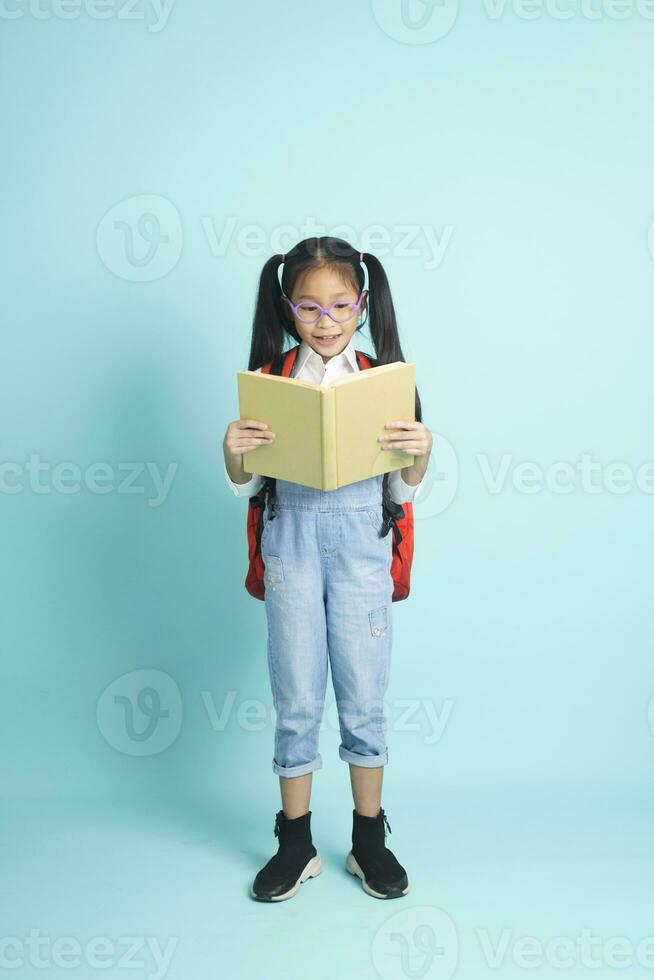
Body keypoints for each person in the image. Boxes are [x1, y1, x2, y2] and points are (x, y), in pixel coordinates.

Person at [222, 237, 433, 901]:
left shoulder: (384, 381)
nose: (327, 320)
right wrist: (232, 452)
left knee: (364, 695)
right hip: (292, 543)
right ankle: (296, 841)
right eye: (309, 307)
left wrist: (421, 453)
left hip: (362, 546)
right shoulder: (273, 381)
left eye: (341, 304)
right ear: (288, 308)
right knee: (296, 697)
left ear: (363, 304)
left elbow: (402, 492)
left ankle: (368, 840)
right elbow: (244, 484)